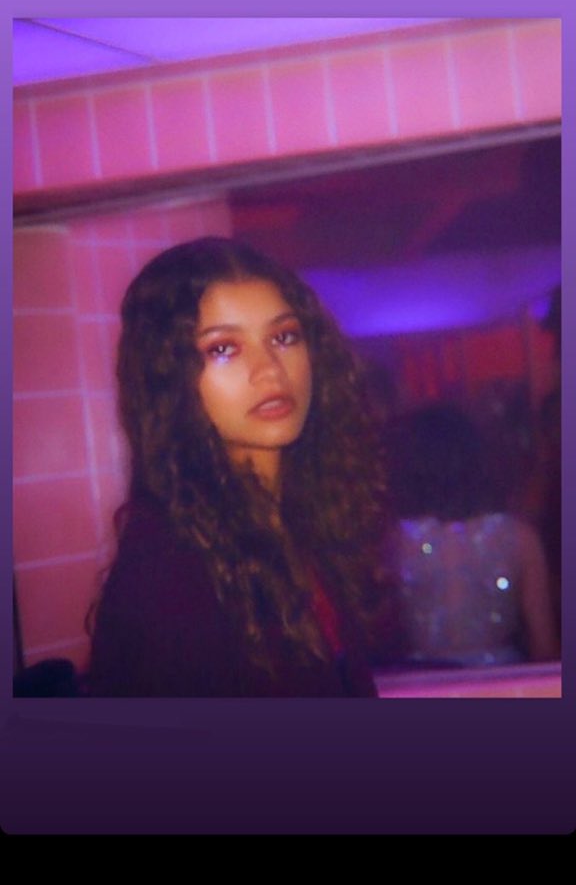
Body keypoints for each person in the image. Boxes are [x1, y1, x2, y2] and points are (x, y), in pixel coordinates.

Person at [88, 237, 387, 697]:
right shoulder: (169, 575)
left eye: (283, 337)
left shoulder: (303, 523)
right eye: (223, 348)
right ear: (171, 378)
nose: (270, 370)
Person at [382, 403, 559, 669]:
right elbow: (545, 650)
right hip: (499, 685)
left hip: (421, 684)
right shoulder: (521, 538)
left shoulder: (394, 541)